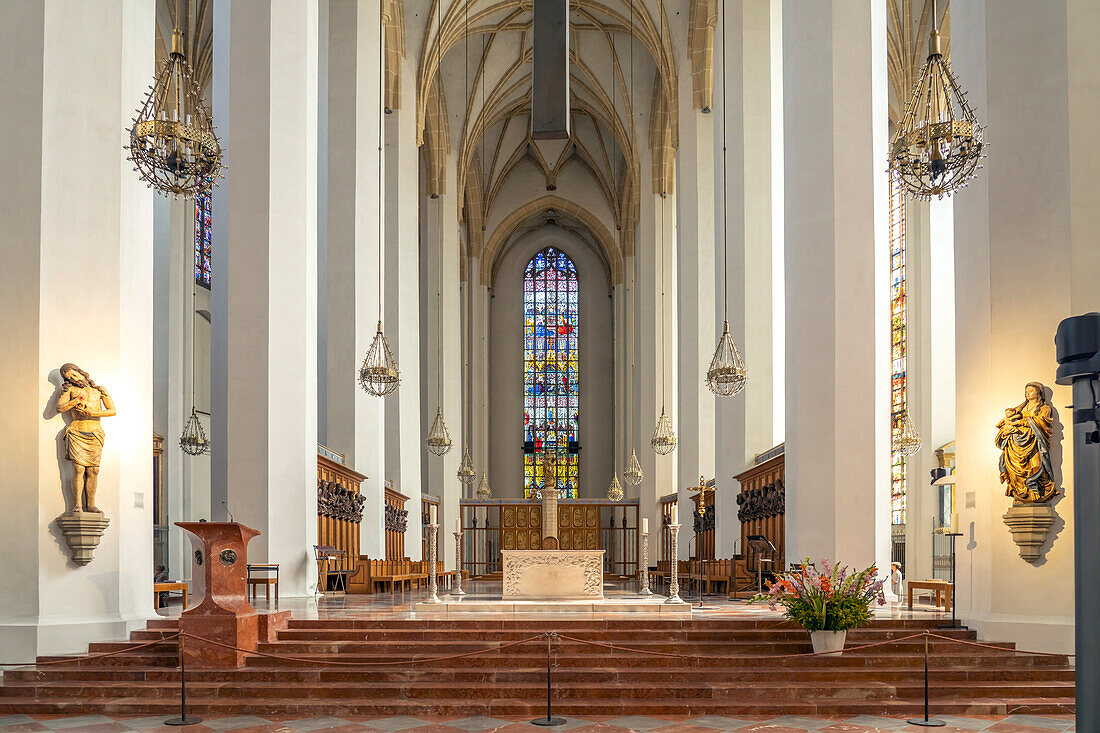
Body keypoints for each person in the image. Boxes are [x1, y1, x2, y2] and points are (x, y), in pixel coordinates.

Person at [56, 363, 116, 513]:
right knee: (78, 469)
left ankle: (91, 505)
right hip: (77, 431)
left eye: (74, 374)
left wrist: (92, 413)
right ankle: (77, 504)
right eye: (70, 378)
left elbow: (112, 410)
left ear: (81, 372)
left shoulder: (99, 390)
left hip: (95, 432)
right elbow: (60, 408)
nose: (75, 379)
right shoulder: (70, 390)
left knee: (94, 470)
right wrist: (75, 401)